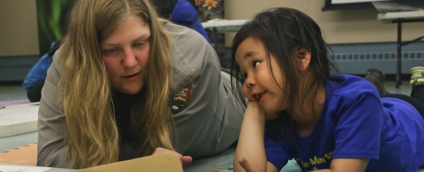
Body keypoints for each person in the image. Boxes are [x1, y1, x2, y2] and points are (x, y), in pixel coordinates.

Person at [37, 0, 245, 169]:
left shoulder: (191, 62)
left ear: (152, 34)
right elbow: (49, 156)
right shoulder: (69, 60)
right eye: (110, 50)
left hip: (227, 108)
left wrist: (94, 158)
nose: (129, 62)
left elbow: (157, 158)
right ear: (89, 53)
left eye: (139, 44)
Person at [215, 7, 424, 172]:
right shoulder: (280, 119)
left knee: (409, 98)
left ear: (301, 57)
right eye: (243, 74)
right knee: (372, 94)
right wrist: (254, 110)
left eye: (256, 64)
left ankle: (417, 85)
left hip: (411, 118)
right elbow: (250, 168)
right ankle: (376, 81)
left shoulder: (356, 100)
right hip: (375, 106)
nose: (248, 82)